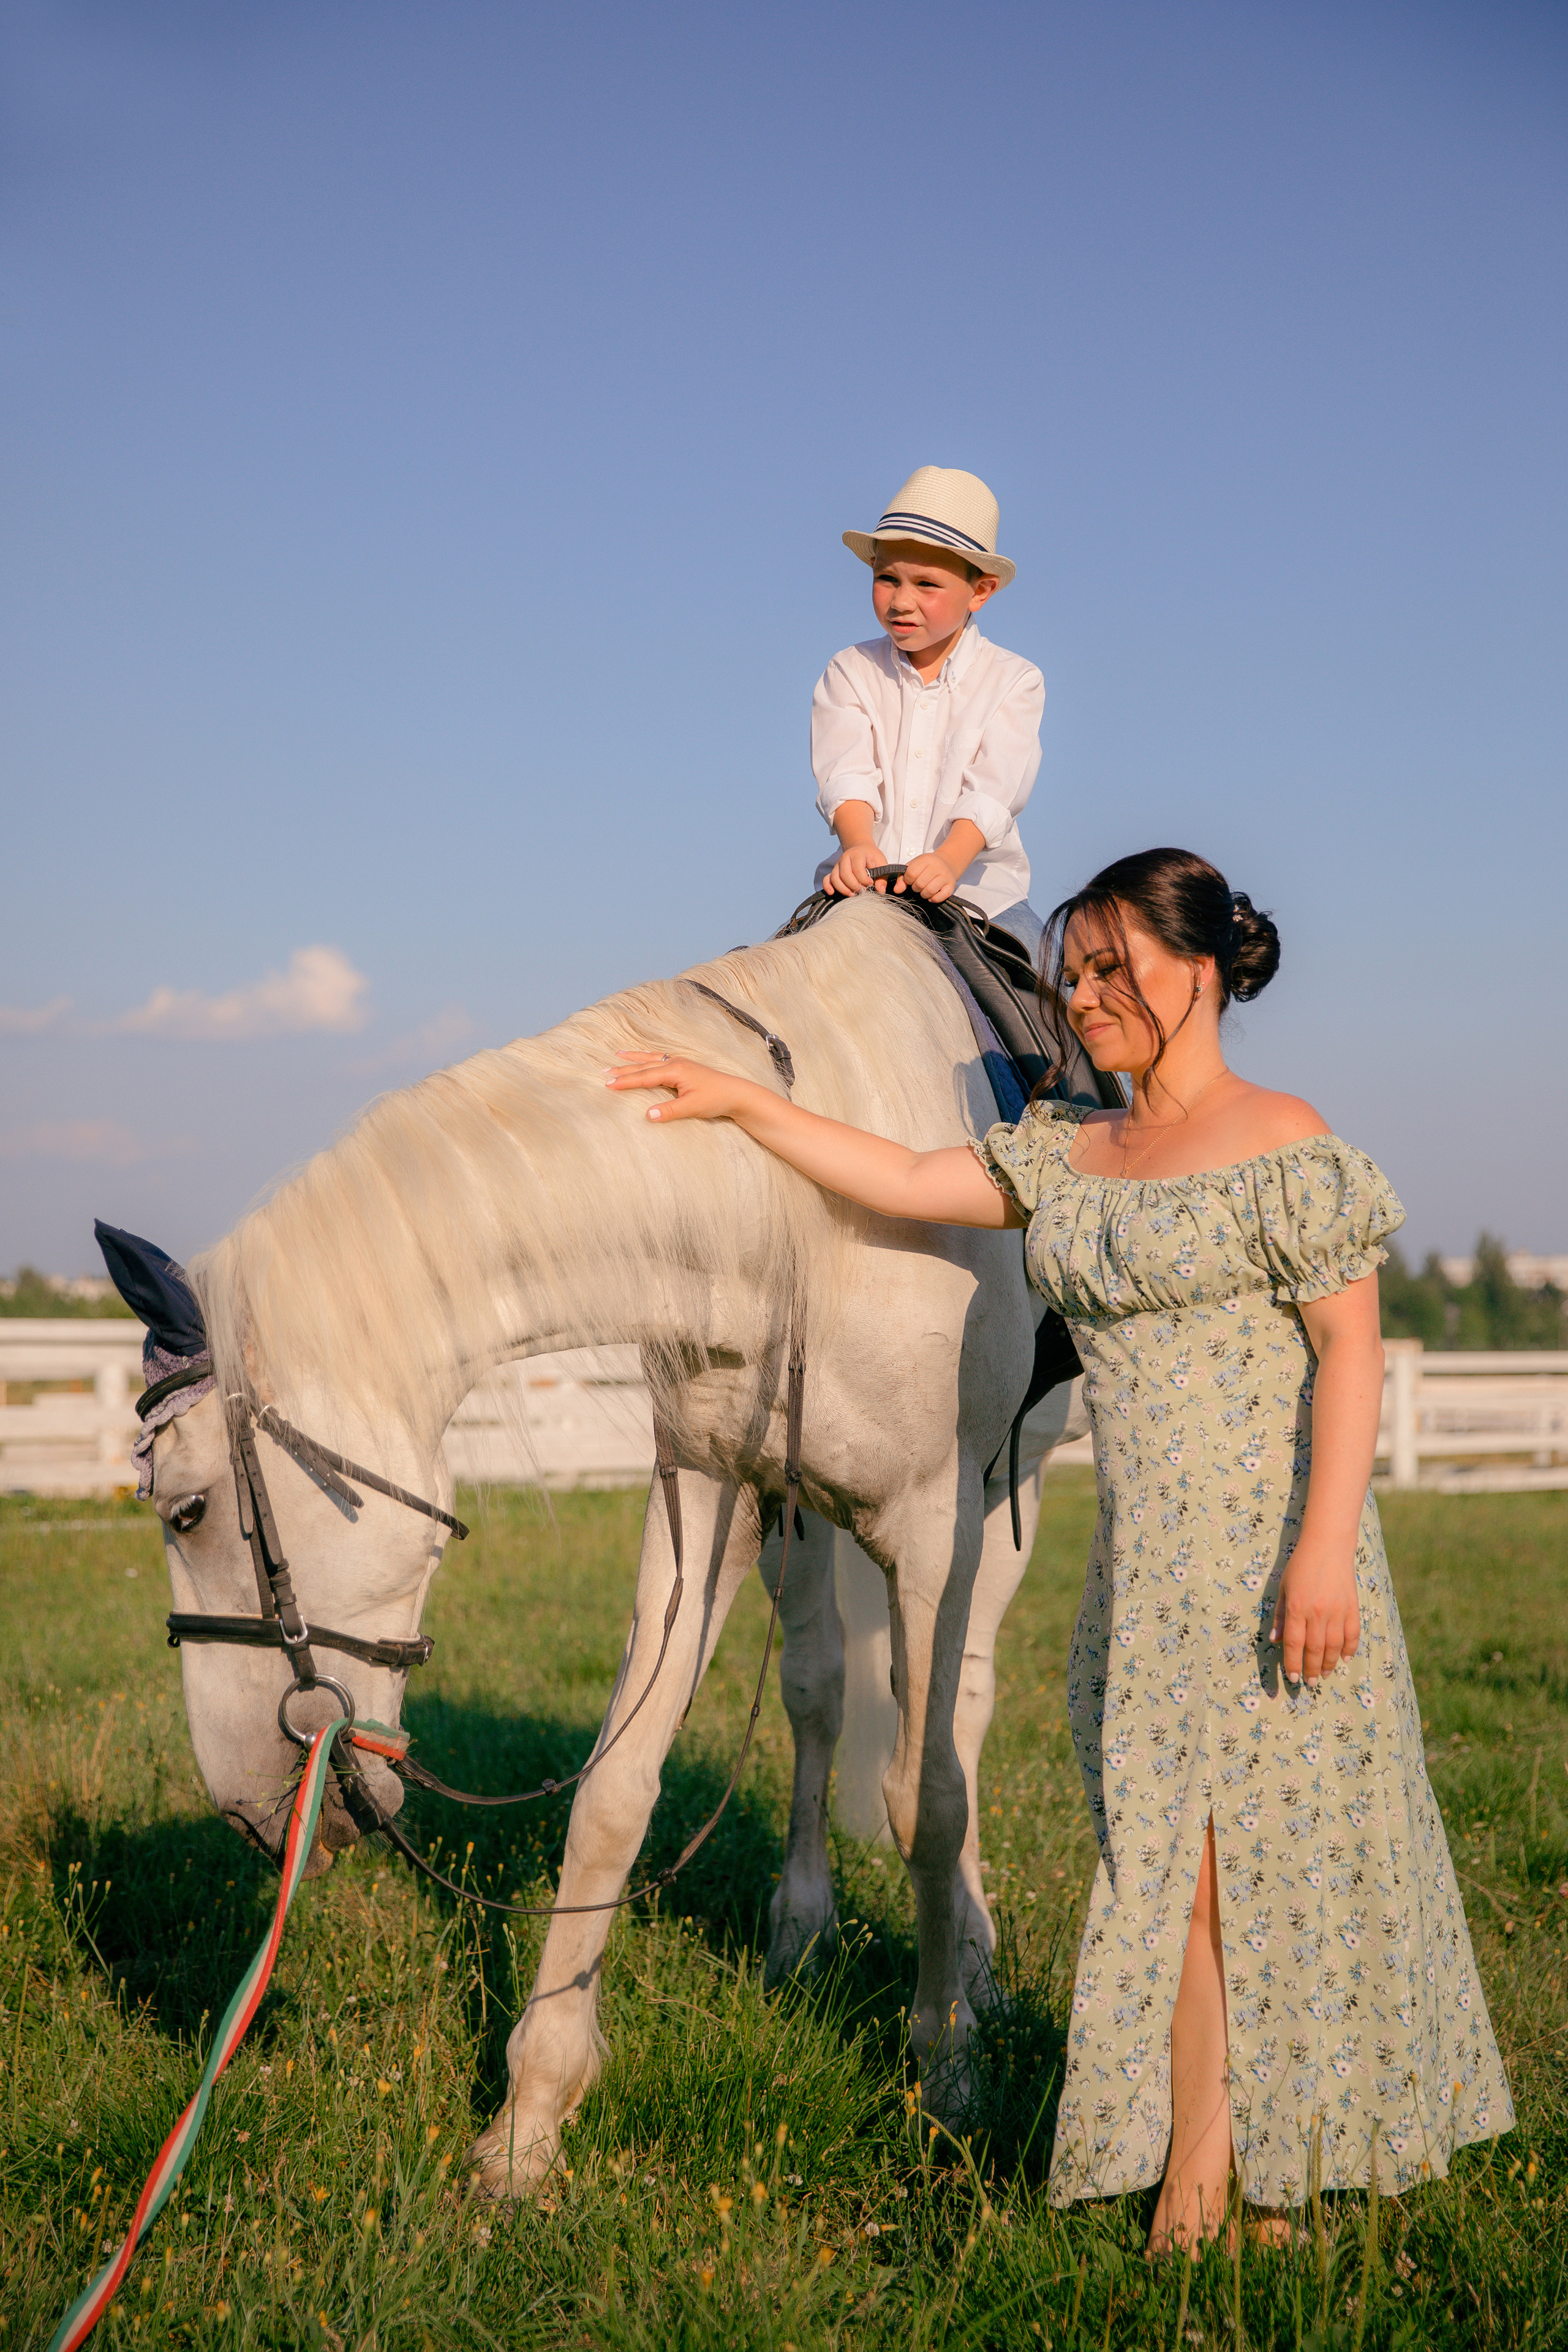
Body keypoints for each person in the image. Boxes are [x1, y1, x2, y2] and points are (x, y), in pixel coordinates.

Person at [606, 845, 1512, 2244]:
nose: (1081, 996)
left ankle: (1209, 2177)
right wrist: (741, 1103)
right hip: (1140, 1582)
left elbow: (1349, 1350)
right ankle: (1252, 2165)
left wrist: (1324, 1546)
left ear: (1197, 967)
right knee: (1170, 1867)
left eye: (1110, 967)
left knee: (1238, 1868)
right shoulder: (1073, 1146)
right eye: (1069, 971)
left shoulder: (1284, 1137)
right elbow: (906, 1173)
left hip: (1278, 1556)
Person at [813, 464, 1047, 957]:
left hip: (980, 897)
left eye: (926, 585)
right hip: (863, 889)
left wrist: (949, 859)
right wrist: (857, 846)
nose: (902, 601)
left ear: (980, 591)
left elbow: (994, 792)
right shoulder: (850, 669)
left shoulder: (1014, 680)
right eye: (887, 579)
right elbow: (847, 774)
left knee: (1053, 995)